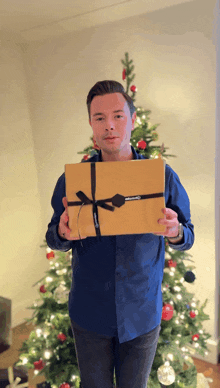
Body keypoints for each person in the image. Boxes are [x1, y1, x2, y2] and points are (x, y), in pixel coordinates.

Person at [46, 80, 194, 388]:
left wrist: (176, 231)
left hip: (141, 315)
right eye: (99, 118)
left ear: (133, 119)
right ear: (91, 123)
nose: (109, 126)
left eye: (118, 116)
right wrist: (61, 233)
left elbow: (187, 235)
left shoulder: (161, 177)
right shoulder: (73, 180)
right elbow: (53, 236)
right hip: (89, 315)